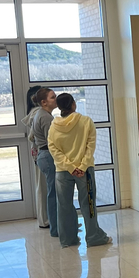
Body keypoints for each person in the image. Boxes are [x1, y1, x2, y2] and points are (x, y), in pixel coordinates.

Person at [48, 93, 112, 249]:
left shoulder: (54, 126)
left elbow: (53, 149)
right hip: (85, 171)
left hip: (62, 171)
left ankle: (67, 239)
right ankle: (94, 236)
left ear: (59, 107)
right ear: (73, 104)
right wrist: (81, 166)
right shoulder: (86, 121)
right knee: (88, 204)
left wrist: (69, 167)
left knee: (64, 206)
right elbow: (90, 146)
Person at [31, 88, 58, 238]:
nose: (56, 99)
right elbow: (52, 140)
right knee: (53, 193)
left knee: (52, 191)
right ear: (44, 102)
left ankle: (56, 225)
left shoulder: (42, 114)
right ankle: (55, 226)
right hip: (48, 155)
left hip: (44, 154)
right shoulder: (46, 118)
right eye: (53, 97)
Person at [23, 85, 49, 230]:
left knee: (44, 186)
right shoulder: (38, 114)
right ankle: (45, 220)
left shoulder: (37, 113)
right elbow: (32, 136)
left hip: (39, 152)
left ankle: (47, 219)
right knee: (44, 187)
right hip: (43, 153)